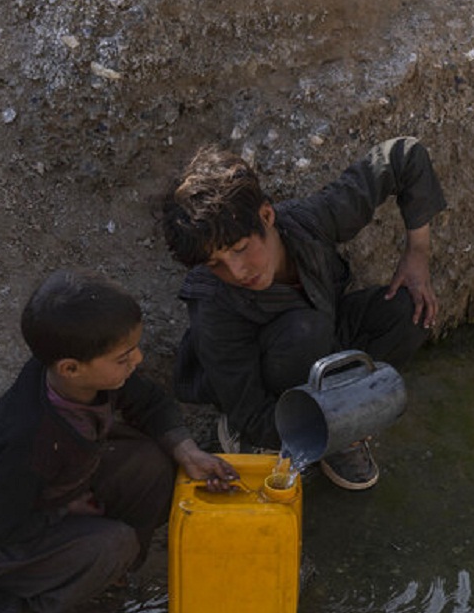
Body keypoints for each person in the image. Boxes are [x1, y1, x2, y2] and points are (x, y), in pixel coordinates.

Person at [0, 269, 240, 613]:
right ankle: (26, 608)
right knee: (113, 542)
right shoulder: (31, 440)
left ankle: (106, 573)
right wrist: (67, 508)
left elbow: (150, 403)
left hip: (49, 494)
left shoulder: (86, 379)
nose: (137, 360)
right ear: (70, 368)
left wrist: (188, 452)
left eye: (134, 349)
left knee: (153, 464)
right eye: (123, 357)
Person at [156, 136, 447, 491]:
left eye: (241, 249)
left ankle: (335, 420)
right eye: (216, 263)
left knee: (410, 309)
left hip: (323, 338)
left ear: (266, 216)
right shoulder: (214, 304)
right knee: (304, 330)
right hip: (261, 385)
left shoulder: (311, 221)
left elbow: (402, 155)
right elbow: (249, 409)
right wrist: (331, 431)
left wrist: (418, 252)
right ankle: (308, 435)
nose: (236, 272)